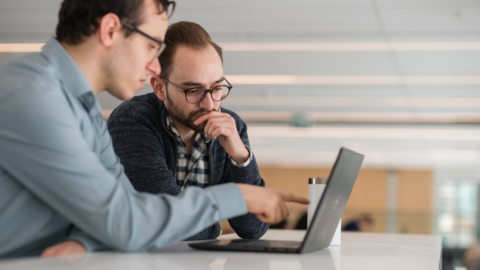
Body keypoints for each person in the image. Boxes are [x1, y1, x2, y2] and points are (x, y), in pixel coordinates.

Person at [0, 0, 309, 258]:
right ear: (110, 30)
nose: (153, 66)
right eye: (151, 45)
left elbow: (123, 211)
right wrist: (235, 197)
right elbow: (126, 222)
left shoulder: (83, 108)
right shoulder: (34, 99)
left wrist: (86, 241)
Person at [107, 21, 268, 240]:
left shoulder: (230, 126)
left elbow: (253, 228)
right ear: (159, 88)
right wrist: (214, 227)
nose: (210, 105)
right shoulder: (132, 120)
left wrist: (240, 156)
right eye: (194, 90)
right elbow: (167, 221)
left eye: (217, 88)